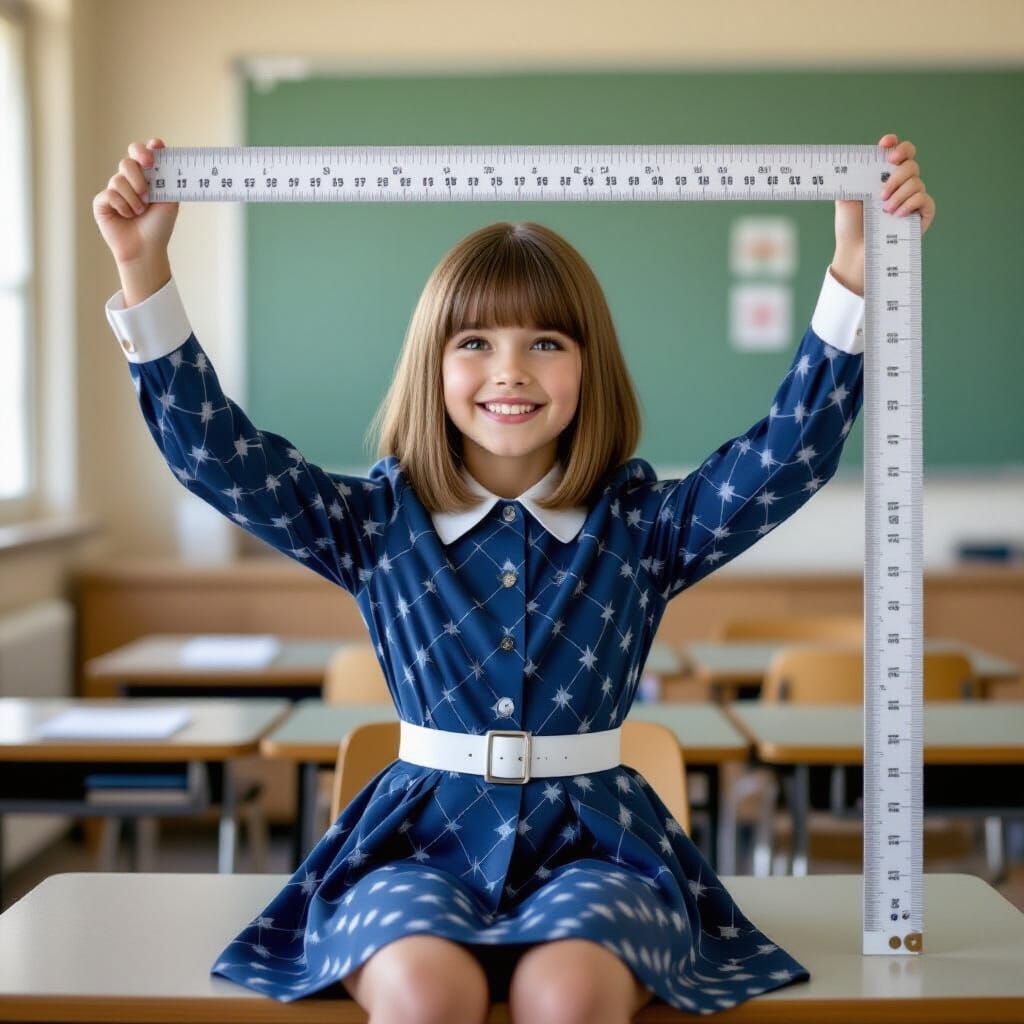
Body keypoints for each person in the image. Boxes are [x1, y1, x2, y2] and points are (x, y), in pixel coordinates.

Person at [93, 135, 933, 1021]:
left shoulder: (642, 526)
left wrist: (853, 271)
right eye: (475, 342)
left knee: (567, 995)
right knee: (424, 992)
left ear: (588, 366)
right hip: (413, 846)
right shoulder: (374, 524)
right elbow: (215, 457)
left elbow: (791, 455)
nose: (509, 372)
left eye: (546, 342)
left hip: (600, 848)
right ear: (434, 363)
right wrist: (144, 271)